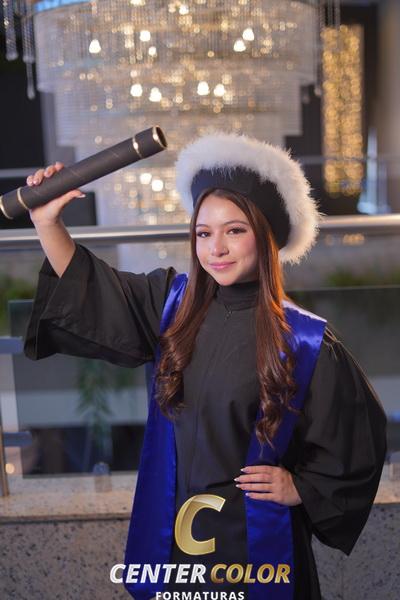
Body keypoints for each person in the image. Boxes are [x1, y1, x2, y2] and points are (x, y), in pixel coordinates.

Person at [24, 132, 387, 600]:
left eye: (235, 230)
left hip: (255, 542)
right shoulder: (172, 306)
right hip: (174, 534)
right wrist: (47, 221)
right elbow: (91, 287)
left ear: (266, 236)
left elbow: (355, 439)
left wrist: (302, 488)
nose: (216, 248)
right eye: (203, 232)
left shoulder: (304, 340)